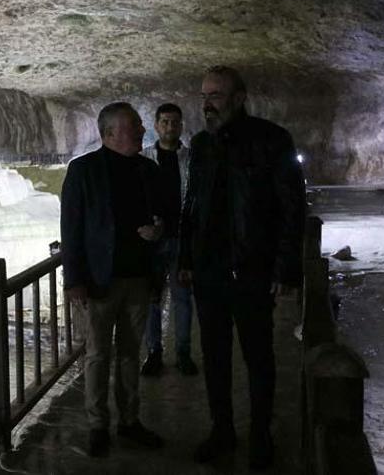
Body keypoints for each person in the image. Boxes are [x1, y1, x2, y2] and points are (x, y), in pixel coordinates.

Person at [178, 66, 305, 470]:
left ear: (239, 97)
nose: (207, 104)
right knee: (214, 357)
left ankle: (261, 435)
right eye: (203, 96)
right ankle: (222, 430)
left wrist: (286, 270)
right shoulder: (201, 144)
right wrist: (185, 258)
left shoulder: (271, 140)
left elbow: (291, 208)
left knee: (258, 356)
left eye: (215, 95)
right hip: (209, 273)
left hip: (252, 270)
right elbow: (192, 205)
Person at [61, 101, 165, 457]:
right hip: (98, 281)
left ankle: (129, 421)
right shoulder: (83, 170)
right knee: (97, 355)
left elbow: (163, 215)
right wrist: (73, 279)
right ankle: (97, 425)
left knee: (130, 354)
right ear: (109, 133)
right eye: (134, 125)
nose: (142, 130)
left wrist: (159, 231)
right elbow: (71, 228)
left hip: (138, 277)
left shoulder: (148, 170)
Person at [140, 103, 198, 377]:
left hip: (182, 238)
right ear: (156, 125)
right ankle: (154, 352)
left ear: (181, 126)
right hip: (153, 241)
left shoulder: (190, 159)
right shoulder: (144, 158)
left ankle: (183, 353)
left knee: (182, 298)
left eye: (175, 122)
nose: (170, 127)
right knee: (152, 298)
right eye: (165, 122)